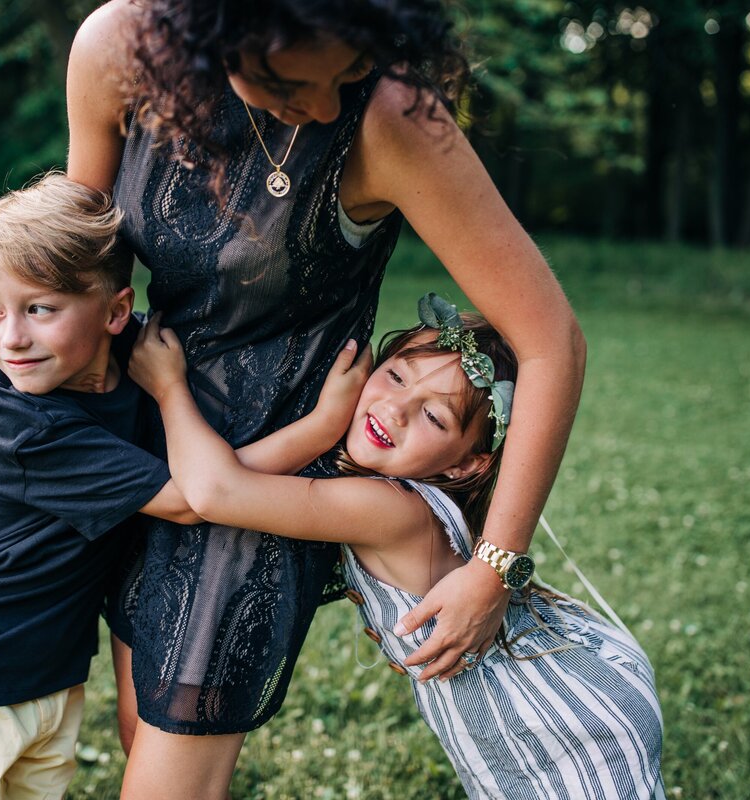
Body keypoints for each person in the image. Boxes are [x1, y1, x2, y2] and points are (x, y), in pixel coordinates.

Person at [0, 1, 587, 796]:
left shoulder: (392, 117)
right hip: (139, 449)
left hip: (262, 489)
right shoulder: (116, 50)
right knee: (140, 734)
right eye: (289, 82)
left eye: (348, 71)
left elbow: (550, 341)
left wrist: (494, 566)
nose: (325, 106)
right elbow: (64, 266)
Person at [0, 173, 364, 798]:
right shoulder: (32, 429)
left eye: (38, 309)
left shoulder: (123, 349)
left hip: (46, 680)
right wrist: (322, 427)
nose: (10, 339)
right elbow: (196, 498)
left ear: (115, 312)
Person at [128, 296, 665, 799]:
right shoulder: (411, 499)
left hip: (557, 717)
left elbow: (215, 491)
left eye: (434, 416)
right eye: (396, 376)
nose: (397, 409)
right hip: (563, 685)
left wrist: (169, 387)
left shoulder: (391, 509)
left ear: (466, 464)